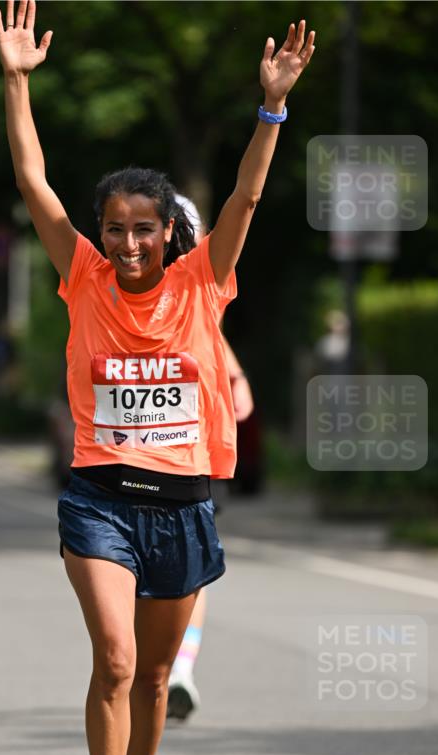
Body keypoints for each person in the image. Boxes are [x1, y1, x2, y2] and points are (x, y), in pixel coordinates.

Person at [0, 0, 315, 755]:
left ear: (170, 231)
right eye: (116, 228)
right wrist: (16, 83)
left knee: (154, 682)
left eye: (145, 228)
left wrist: (272, 109)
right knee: (117, 659)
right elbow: (33, 182)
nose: (130, 243)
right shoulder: (83, 279)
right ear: (99, 236)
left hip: (182, 507)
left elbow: (248, 193)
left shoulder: (203, 279)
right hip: (100, 499)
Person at [166, 195, 255, 722]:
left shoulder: (200, 282)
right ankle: (162, 664)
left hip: (195, 448)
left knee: (191, 568)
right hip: (131, 457)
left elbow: (210, 334)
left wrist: (237, 379)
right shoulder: (121, 282)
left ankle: (178, 667)